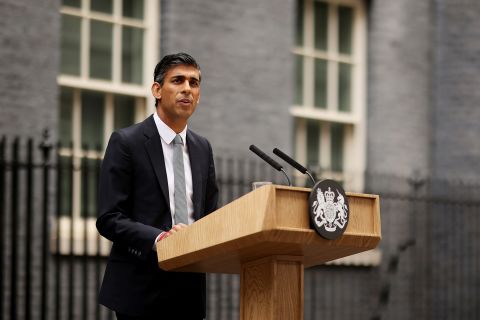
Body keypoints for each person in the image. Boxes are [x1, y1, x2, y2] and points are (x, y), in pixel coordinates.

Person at [96, 52, 219, 320]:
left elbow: (209, 215)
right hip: (140, 290)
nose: (187, 88)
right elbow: (109, 218)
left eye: (194, 83)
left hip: (189, 291)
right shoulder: (126, 142)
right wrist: (160, 239)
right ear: (157, 90)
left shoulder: (203, 148)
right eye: (178, 80)